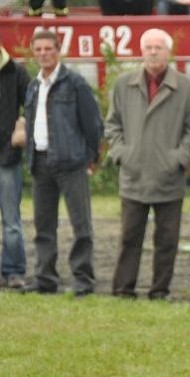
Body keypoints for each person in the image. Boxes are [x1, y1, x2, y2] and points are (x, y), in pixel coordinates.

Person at [105, 28, 190, 301]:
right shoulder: (124, 84)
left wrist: (177, 159)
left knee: (167, 241)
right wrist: (123, 153)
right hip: (133, 175)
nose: (152, 52)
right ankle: (123, 289)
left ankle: (159, 291)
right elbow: (112, 125)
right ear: (141, 51)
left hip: (169, 177)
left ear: (168, 52)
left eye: (158, 47)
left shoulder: (186, 86)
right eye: (148, 47)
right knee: (129, 238)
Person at [22, 30, 102, 296]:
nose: (43, 53)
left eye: (48, 49)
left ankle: (83, 279)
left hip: (71, 161)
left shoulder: (75, 83)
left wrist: (92, 156)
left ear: (58, 51)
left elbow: (92, 123)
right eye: (39, 49)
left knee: (81, 225)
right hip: (41, 160)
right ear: (34, 53)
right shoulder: (33, 86)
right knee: (43, 225)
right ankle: (45, 278)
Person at [0, 38, 30, 290]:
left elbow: (31, 106)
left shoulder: (16, 71)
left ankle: (14, 271)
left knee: (11, 221)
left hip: (7, 157)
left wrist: (20, 130)